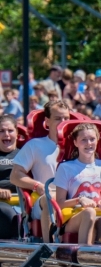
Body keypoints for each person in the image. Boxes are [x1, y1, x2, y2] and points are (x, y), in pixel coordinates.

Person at [11, 99, 72, 241]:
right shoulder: (35, 145)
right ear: (47, 121)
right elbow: (15, 176)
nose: (63, 122)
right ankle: (48, 247)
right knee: (50, 199)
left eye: (66, 118)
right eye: (57, 118)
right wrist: (37, 186)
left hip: (74, 197)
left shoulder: (80, 144)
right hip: (45, 199)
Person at [49, 122, 101, 245]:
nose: (89, 143)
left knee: (100, 218)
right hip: (74, 216)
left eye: (92, 139)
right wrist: (79, 200)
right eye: (84, 140)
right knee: (90, 213)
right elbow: (59, 203)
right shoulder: (66, 167)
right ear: (75, 143)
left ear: (97, 140)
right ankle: (83, 255)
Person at [0, 115, 21, 239]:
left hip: (22, 201)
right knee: (8, 214)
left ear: (17, 133)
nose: (6, 134)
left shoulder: (25, 154)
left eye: (10, 130)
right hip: (2, 202)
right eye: (1, 131)